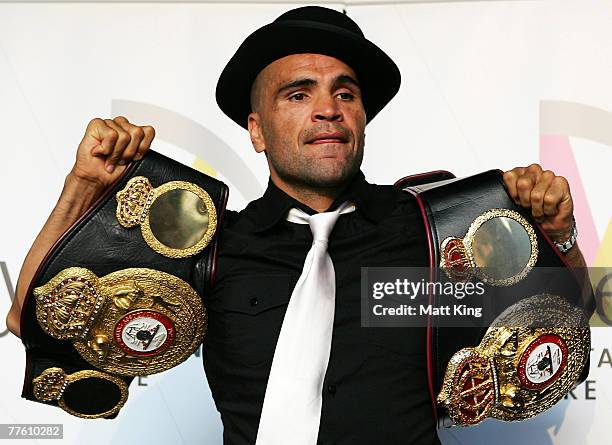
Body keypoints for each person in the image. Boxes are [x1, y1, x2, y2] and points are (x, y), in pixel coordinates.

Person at [6, 6, 586, 445]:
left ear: (360, 117)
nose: (327, 108)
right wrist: (84, 188)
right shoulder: (209, 245)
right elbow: (37, 322)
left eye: (346, 93)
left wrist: (560, 236)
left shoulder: (433, 230)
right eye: (297, 93)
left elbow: (566, 323)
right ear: (257, 130)